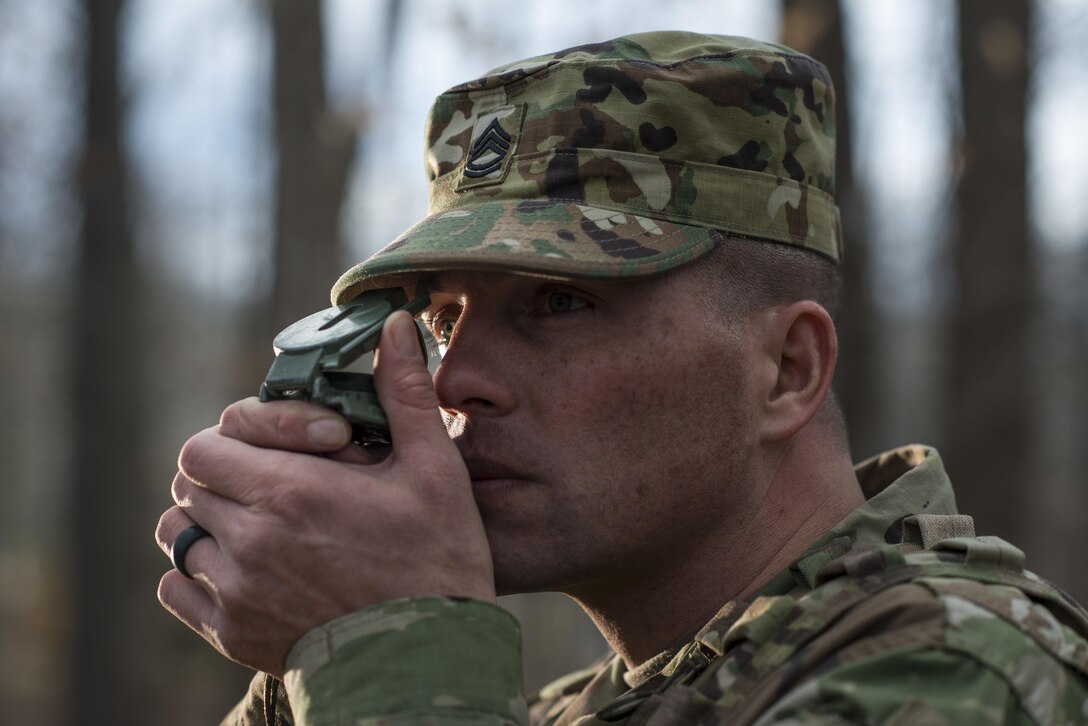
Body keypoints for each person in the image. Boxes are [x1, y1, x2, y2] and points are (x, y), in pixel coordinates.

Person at [156, 31, 1088, 725]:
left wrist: (388, 637)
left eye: (560, 304)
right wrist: (315, 641)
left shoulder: (955, 669)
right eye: (445, 319)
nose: (458, 380)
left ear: (786, 371)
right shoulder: (565, 710)